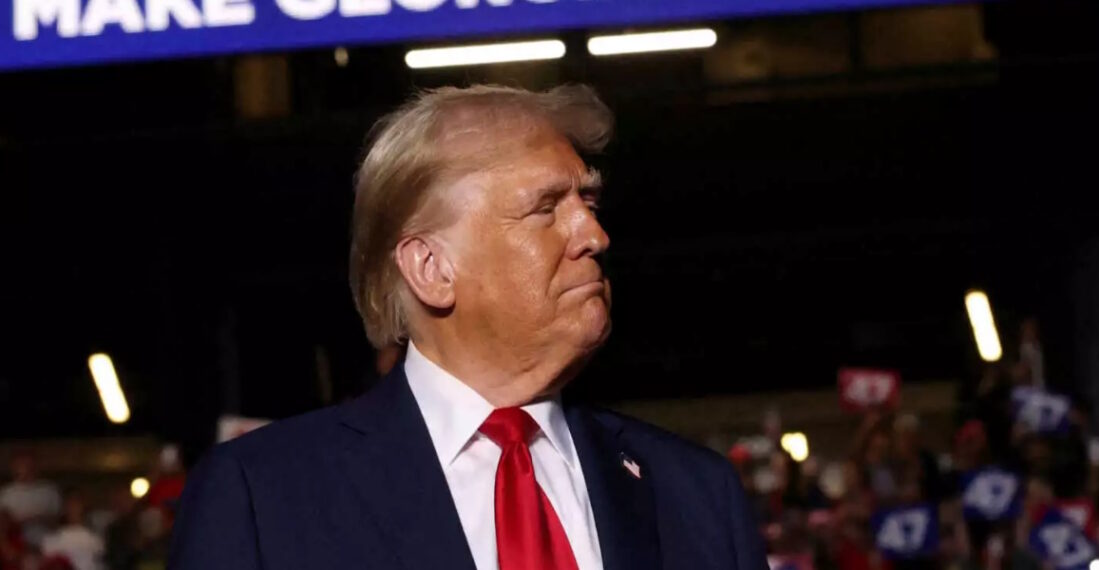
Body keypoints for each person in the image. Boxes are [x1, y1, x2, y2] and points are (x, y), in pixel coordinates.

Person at [169, 85, 766, 570]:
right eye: (546, 208)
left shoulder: (696, 492)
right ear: (431, 269)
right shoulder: (262, 496)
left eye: (589, 204)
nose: (594, 235)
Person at [0, 453, 61, 548]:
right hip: (16, 545)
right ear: (14, 467)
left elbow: (59, 522)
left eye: (30, 465)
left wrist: (41, 519)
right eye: (21, 465)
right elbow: (3, 526)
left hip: (47, 542)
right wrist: (21, 522)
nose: (26, 468)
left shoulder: (49, 490)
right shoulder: (6, 493)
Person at [40, 491, 104, 570]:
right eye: (70, 505)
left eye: (76, 505)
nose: (73, 508)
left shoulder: (94, 538)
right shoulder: (52, 538)